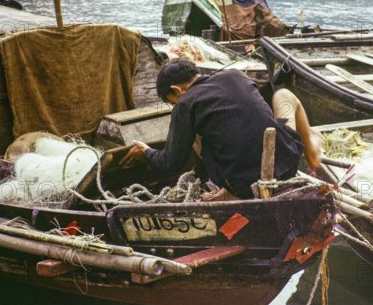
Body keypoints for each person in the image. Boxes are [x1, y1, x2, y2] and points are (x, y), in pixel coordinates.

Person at [119, 58, 323, 200]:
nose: (175, 106)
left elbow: (170, 164)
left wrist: (146, 151)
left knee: (197, 131)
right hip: (288, 165)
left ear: (176, 90)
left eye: (172, 102)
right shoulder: (235, 75)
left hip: (245, 187)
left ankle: (227, 189)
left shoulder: (185, 104)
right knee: (283, 95)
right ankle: (312, 153)